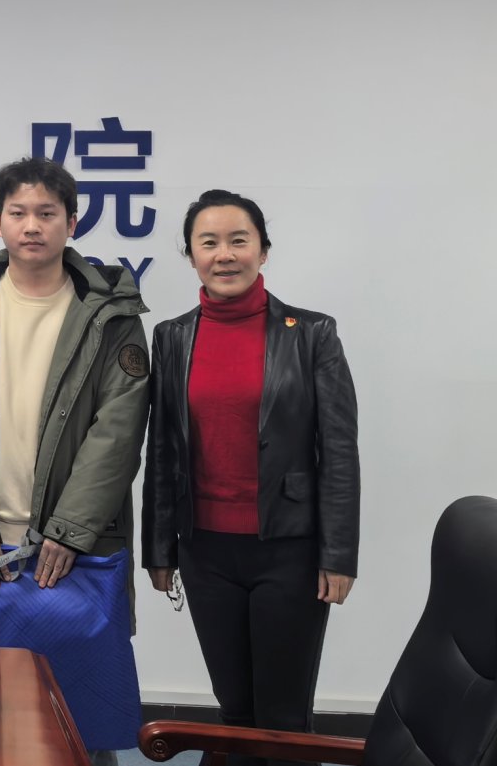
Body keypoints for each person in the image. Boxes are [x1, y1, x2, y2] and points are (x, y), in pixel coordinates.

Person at [142, 190, 359, 754]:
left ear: (263, 251)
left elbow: (339, 450)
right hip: (205, 552)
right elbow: (162, 449)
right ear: (191, 255)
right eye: (208, 242)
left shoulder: (311, 333)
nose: (225, 255)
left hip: (289, 550)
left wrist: (338, 555)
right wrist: (160, 549)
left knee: (283, 716)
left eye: (239, 241)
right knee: (234, 709)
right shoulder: (171, 337)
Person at [0, 156, 150, 589]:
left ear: (71, 223)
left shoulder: (112, 317)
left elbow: (119, 430)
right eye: (18, 213)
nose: (31, 227)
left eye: (46, 214)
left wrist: (70, 527)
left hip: (75, 548)